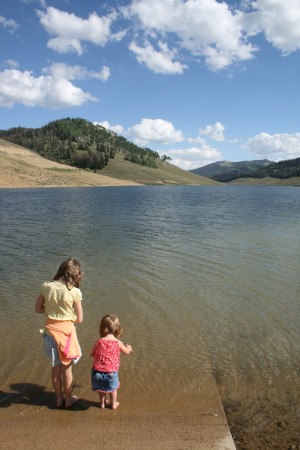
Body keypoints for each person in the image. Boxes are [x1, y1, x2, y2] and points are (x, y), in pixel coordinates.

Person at [35, 258, 83, 408]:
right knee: (66, 369)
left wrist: (50, 312)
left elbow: (38, 309)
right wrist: (69, 317)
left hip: (50, 334)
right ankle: (68, 399)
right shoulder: (75, 292)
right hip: (67, 335)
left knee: (55, 368)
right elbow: (80, 318)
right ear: (75, 275)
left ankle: (58, 399)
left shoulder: (47, 286)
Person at [90, 314, 133, 410]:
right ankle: (113, 404)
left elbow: (91, 353)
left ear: (102, 328)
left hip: (97, 372)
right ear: (117, 329)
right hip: (111, 373)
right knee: (113, 389)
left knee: (101, 389)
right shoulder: (118, 343)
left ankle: (102, 404)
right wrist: (129, 348)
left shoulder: (99, 341)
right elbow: (126, 352)